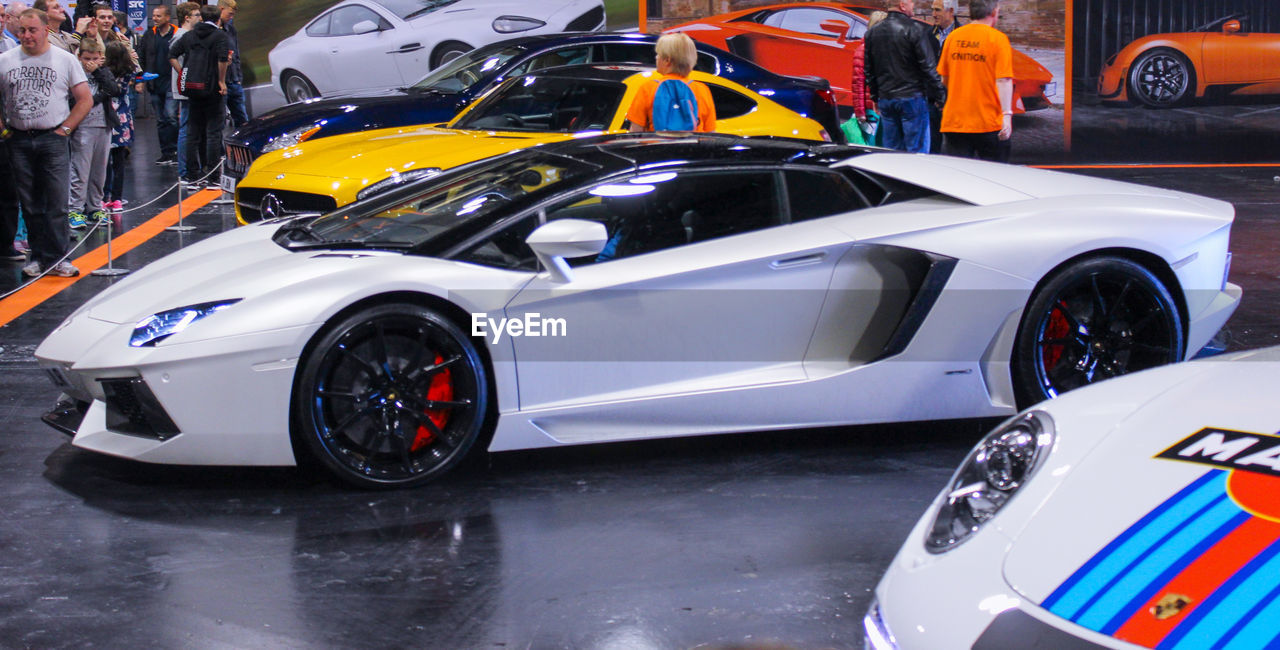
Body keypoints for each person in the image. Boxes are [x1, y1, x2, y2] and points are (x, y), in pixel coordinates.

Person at [0, 8, 92, 277]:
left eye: (32, 30)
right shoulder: (5, 60)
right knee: (30, 203)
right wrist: (4, 130)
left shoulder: (64, 60)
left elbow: (85, 98)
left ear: (44, 30)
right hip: (17, 139)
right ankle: (39, 258)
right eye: (22, 31)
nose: (26, 36)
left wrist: (65, 128)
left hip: (52, 138)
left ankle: (59, 258)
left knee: (56, 201)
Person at [864, 0, 945, 153]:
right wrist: (940, 96)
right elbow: (928, 68)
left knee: (892, 152)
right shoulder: (915, 30)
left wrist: (875, 96)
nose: (914, 5)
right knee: (916, 153)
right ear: (902, 5)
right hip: (912, 98)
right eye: (911, 2)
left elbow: (869, 70)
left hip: (886, 98)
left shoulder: (872, 32)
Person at [937, 0, 1013, 162]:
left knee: (960, 178)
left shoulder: (953, 37)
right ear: (994, 12)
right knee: (995, 177)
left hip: (955, 121)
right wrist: (1006, 114)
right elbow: (1003, 81)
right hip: (988, 122)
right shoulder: (998, 40)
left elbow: (944, 78)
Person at [168, 4, 230, 187]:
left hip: (193, 88)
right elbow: (222, 60)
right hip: (212, 90)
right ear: (218, 19)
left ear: (201, 18)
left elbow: (171, 54)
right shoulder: (220, 36)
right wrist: (221, 81)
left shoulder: (189, 35)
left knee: (192, 132)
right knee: (212, 133)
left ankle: (192, 176)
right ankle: (212, 177)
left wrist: (182, 73)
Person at [66, 36, 117, 229]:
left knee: (99, 170)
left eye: (95, 58)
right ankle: (75, 209)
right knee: (80, 169)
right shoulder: (73, 72)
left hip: (103, 124)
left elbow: (113, 88)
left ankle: (95, 207)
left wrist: (98, 71)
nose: (90, 62)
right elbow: (73, 99)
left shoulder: (102, 71)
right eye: (87, 58)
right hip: (82, 125)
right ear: (79, 56)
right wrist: (94, 99)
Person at [626, 32, 715, 133]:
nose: (656, 58)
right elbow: (711, 134)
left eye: (658, 54)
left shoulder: (648, 88)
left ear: (667, 60)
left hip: (658, 147)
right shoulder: (702, 90)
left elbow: (636, 131)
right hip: (691, 147)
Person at [136, 3, 176, 163]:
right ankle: (166, 152)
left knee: (171, 117)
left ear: (167, 17)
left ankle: (175, 151)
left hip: (171, 83)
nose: (155, 19)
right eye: (154, 16)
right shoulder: (149, 35)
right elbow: (141, 58)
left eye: (158, 16)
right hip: (154, 84)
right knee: (160, 120)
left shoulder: (177, 34)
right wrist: (140, 80)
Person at [169, 2, 199, 182]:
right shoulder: (181, 36)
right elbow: (173, 58)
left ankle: (189, 168)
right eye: (196, 15)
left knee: (189, 128)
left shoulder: (186, 35)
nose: (199, 18)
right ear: (187, 17)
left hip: (187, 87)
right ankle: (184, 171)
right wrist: (185, 76)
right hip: (186, 89)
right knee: (186, 129)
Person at [102, 39, 134, 213]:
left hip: (107, 117)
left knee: (104, 162)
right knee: (119, 162)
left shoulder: (103, 73)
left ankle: (104, 196)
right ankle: (117, 198)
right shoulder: (128, 72)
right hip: (122, 119)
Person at [217, 0, 245, 127]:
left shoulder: (231, 30)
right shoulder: (212, 32)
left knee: (242, 120)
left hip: (234, 81)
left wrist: (238, 78)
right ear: (221, 9)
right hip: (219, 84)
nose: (231, 17)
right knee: (219, 122)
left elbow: (236, 55)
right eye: (230, 14)